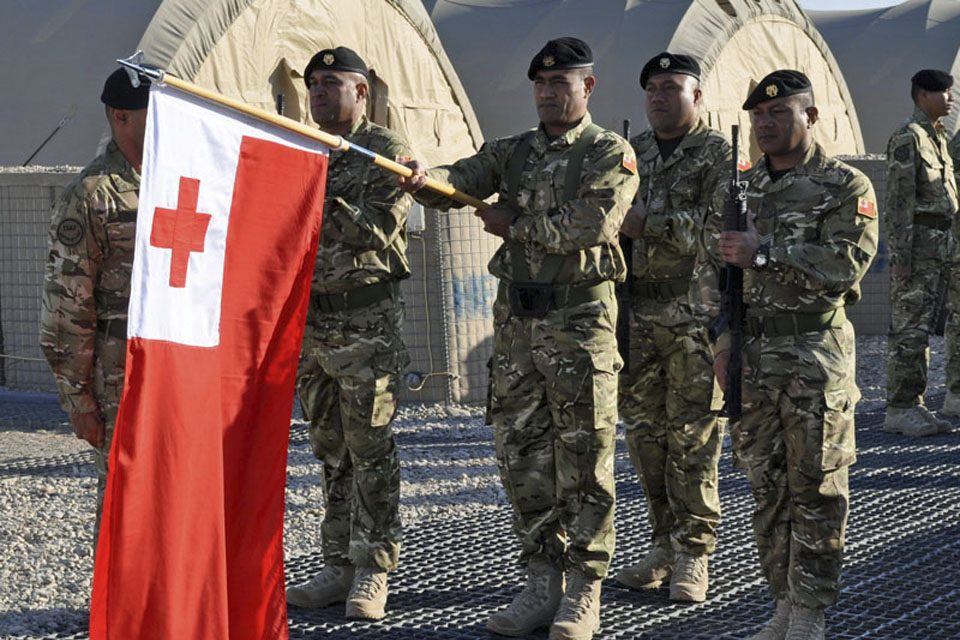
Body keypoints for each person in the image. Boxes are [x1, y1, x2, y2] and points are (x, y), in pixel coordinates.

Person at [398, 37, 638, 640]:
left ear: (588, 88)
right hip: (517, 329)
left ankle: (584, 590)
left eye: (562, 83)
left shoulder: (610, 151)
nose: (549, 93)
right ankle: (540, 580)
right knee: (521, 457)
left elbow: (593, 223)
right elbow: (464, 177)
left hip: (580, 324)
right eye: (541, 84)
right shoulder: (514, 152)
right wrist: (426, 180)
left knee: (584, 458)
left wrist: (517, 222)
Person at [700, 70, 878, 640]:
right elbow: (714, 277)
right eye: (758, 117)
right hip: (752, 359)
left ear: (812, 117)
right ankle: (782, 602)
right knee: (767, 490)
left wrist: (765, 251)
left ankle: (810, 610)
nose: (766, 124)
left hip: (813, 356)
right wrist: (722, 345)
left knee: (817, 488)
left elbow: (843, 269)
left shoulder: (844, 186)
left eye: (779, 114)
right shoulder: (741, 189)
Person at [284, 47, 412, 621]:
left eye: (331, 82)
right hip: (310, 324)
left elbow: (376, 231)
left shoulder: (384, 154)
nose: (317, 92)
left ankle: (373, 568)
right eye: (312, 83)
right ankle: (337, 563)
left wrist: (311, 190)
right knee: (329, 448)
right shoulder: (296, 147)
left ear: (361, 92)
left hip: (365, 323)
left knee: (371, 447)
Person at [615, 52, 730, 603]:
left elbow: (719, 228)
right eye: (652, 88)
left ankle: (694, 554)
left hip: (692, 318)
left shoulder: (719, 154)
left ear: (697, 95)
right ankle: (662, 544)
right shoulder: (630, 153)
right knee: (645, 439)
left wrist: (647, 223)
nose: (660, 97)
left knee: (695, 438)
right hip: (637, 317)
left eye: (672, 87)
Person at [40, 68, 149, 549]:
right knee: (126, 489)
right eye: (155, 112)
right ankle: (119, 611)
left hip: (179, 366)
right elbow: (66, 310)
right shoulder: (90, 195)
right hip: (117, 372)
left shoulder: (178, 181)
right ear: (121, 116)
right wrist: (79, 401)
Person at [883, 69, 958, 434]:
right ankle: (900, 407)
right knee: (909, 330)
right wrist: (900, 256)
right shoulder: (908, 138)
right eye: (944, 91)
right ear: (923, 95)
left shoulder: (937, 137)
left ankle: (917, 403)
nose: (951, 97)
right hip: (919, 249)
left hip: (941, 246)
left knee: (925, 328)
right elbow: (898, 202)